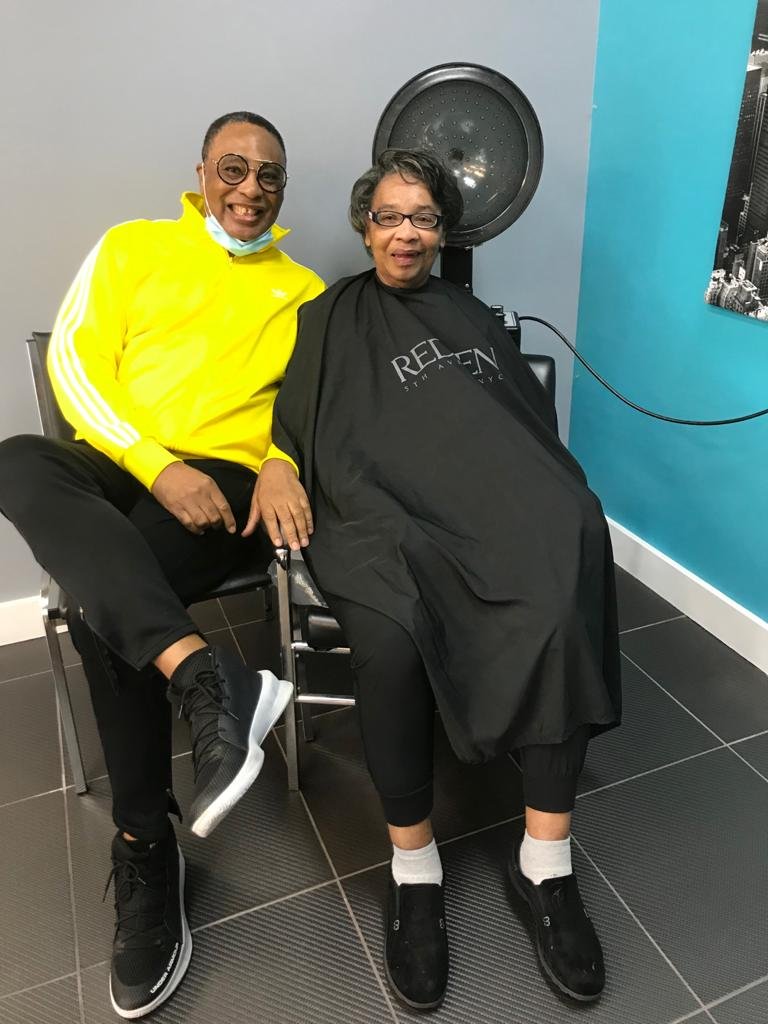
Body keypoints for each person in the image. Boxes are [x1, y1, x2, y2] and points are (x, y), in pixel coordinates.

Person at [254, 149, 621, 1010]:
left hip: (494, 504)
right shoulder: (328, 316)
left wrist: (546, 493)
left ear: (443, 231)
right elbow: (293, 423)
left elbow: (525, 424)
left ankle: (546, 864)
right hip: (379, 512)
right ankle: (414, 871)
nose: (405, 234)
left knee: (562, 569)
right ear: (365, 226)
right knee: (389, 642)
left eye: (422, 218)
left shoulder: (473, 316)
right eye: (389, 216)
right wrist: (275, 464)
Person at [0, 111, 323, 1019]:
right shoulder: (132, 246)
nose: (250, 189)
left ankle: (146, 844)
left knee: (106, 608)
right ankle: (202, 674)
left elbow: (314, 408)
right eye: (234, 168)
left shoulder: (303, 291)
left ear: (283, 188)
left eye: (269, 175)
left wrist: (280, 460)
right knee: (16, 458)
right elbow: (75, 365)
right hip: (126, 459)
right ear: (202, 171)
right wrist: (153, 465)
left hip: (228, 482)